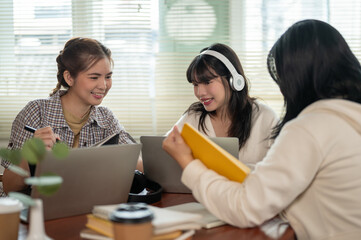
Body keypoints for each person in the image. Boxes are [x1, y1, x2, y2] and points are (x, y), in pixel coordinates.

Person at [163, 19, 361, 240]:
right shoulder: (348, 115)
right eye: (195, 84)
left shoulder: (310, 127)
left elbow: (246, 207)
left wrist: (189, 165)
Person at [1, 37, 138, 196]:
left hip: (82, 206)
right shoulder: (35, 112)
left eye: (108, 76)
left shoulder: (106, 118)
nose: (103, 85)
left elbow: (134, 161)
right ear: (69, 78)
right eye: (94, 77)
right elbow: (9, 187)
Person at [167, 43, 278, 169]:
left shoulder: (265, 117)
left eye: (207, 82)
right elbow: (159, 157)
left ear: (234, 81)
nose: (200, 93)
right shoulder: (193, 117)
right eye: (195, 84)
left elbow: (279, 172)